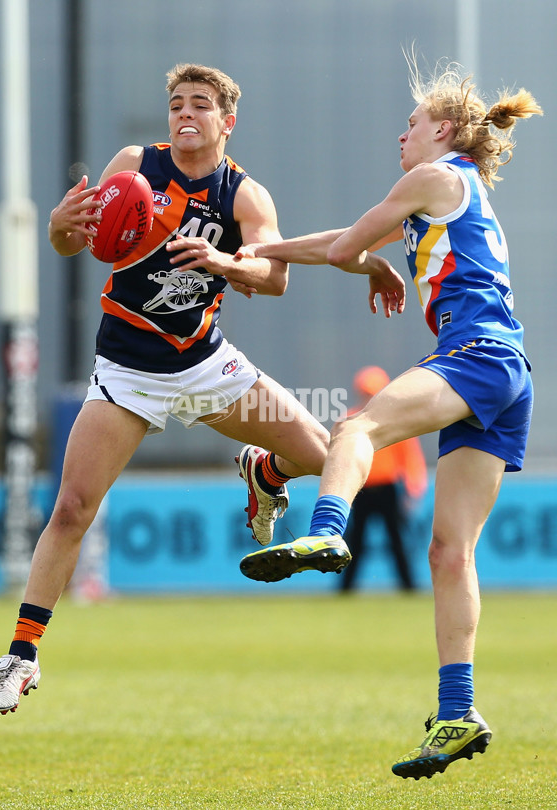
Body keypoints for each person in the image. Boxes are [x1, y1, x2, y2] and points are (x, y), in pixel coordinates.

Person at [0, 63, 395, 716]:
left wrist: (227, 262)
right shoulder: (135, 166)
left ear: (227, 122)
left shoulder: (243, 196)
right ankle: (20, 656)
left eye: (200, 104)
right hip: (127, 368)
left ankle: (265, 471)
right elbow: (74, 244)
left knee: (326, 455)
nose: (184, 114)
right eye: (176, 103)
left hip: (204, 366)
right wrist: (61, 224)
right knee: (73, 507)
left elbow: (276, 276)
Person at [237, 58, 542, 779]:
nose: (400, 135)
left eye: (411, 123)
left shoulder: (432, 176)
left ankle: (325, 530)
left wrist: (356, 262)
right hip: (509, 371)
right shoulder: (450, 187)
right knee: (449, 553)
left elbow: (347, 247)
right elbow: (347, 241)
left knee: (356, 430)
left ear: (443, 129)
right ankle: (458, 713)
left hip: (474, 354)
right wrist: (258, 250)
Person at [339, 365, 427, 592]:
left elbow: (410, 458)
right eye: (366, 392)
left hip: (388, 489)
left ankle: (408, 587)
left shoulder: (395, 421)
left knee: (397, 541)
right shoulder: (349, 419)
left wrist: (413, 489)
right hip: (361, 489)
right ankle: (345, 589)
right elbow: (340, 459)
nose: (369, 397)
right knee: (355, 543)